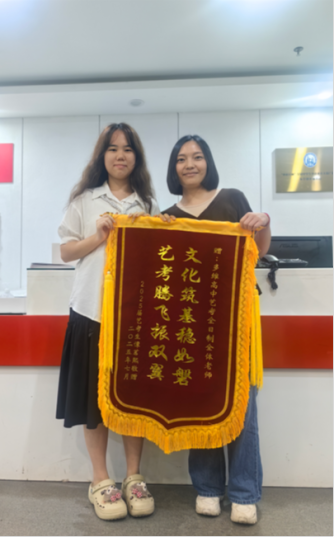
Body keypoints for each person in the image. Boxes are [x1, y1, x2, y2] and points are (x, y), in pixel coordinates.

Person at [160, 135, 271, 526]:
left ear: (208, 162)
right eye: (181, 159)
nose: (190, 164)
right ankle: (207, 488)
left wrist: (263, 222)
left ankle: (244, 493)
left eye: (197, 157)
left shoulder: (232, 199)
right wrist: (157, 233)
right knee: (199, 404)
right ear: (174, 168)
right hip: (192, 323)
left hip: (237, 318)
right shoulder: (167, 215)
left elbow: (258, 250)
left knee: (242, 406)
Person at [56, 123, 160, 522]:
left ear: (137, 157)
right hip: (91, 312)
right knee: (93, 400)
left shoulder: (146, 203)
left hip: (135, 317)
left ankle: (134, 477)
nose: (120, 155)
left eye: (128, 149)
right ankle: (100, 479)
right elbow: (67, 252)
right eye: (113, 148)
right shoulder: (84, 200)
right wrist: (98, 236)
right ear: (102, 156)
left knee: (133, 400)